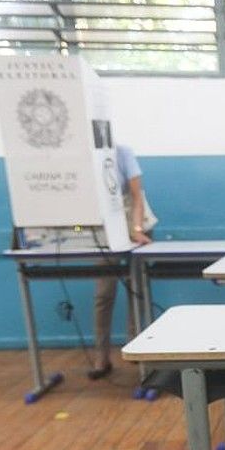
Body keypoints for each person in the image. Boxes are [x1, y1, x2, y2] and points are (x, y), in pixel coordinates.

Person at [90, 142, 155, 380]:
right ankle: (101, 355)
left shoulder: (123, 153)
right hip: (105, 232)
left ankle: (134, 348)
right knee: (103, 294)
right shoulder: (86, 157)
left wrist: (136, 229)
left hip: (132, 223)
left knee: (135, 292)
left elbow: (137, 195)